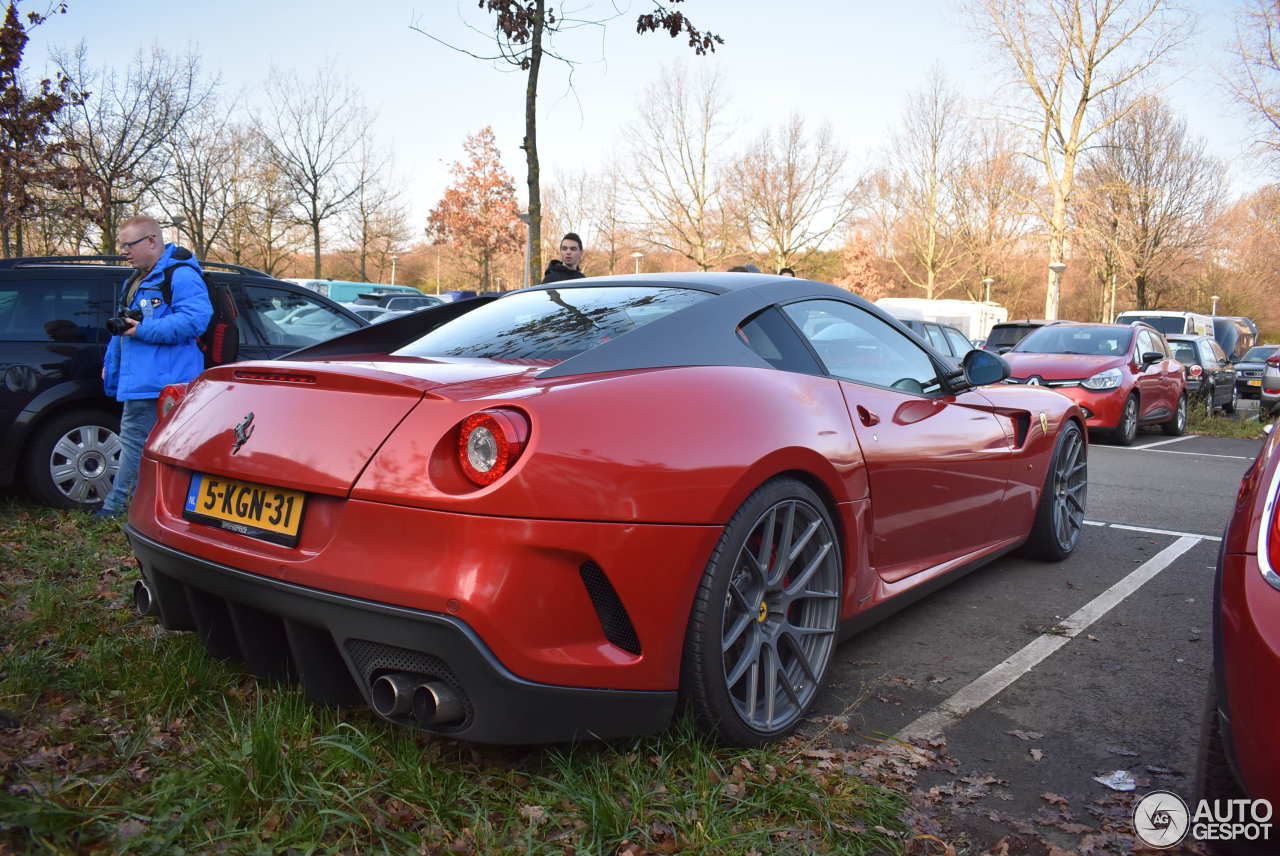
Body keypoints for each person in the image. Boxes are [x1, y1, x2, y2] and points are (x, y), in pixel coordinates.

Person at [97, 215, 212, 518]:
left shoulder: (181, 275)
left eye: (128, 245)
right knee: (148, 446)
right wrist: (111, 365)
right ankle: (152, 508)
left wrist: (145, 329)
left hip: (164, 381)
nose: (124, 252)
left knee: (138, 444)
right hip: (144, 379)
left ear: (152, 241)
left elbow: (195, 320)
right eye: (122, 246)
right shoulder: (137, 279)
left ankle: (117, 508)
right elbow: (123, 330)